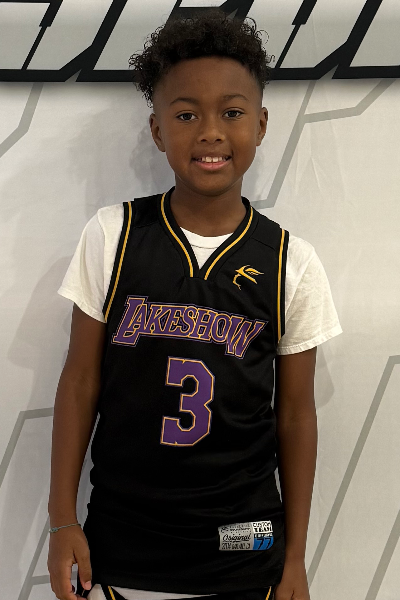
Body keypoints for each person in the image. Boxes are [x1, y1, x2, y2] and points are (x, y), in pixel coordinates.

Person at [47, 9, 342, 600]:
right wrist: (61, 522)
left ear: (260, 124)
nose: (210, 132)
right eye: (186, 115)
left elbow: (295, 415)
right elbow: (79, 382)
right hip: (124, 542)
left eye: (232, 113)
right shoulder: (113, 235)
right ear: (157, 130)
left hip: (244, 545)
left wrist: (295, 558)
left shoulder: (292, 262)